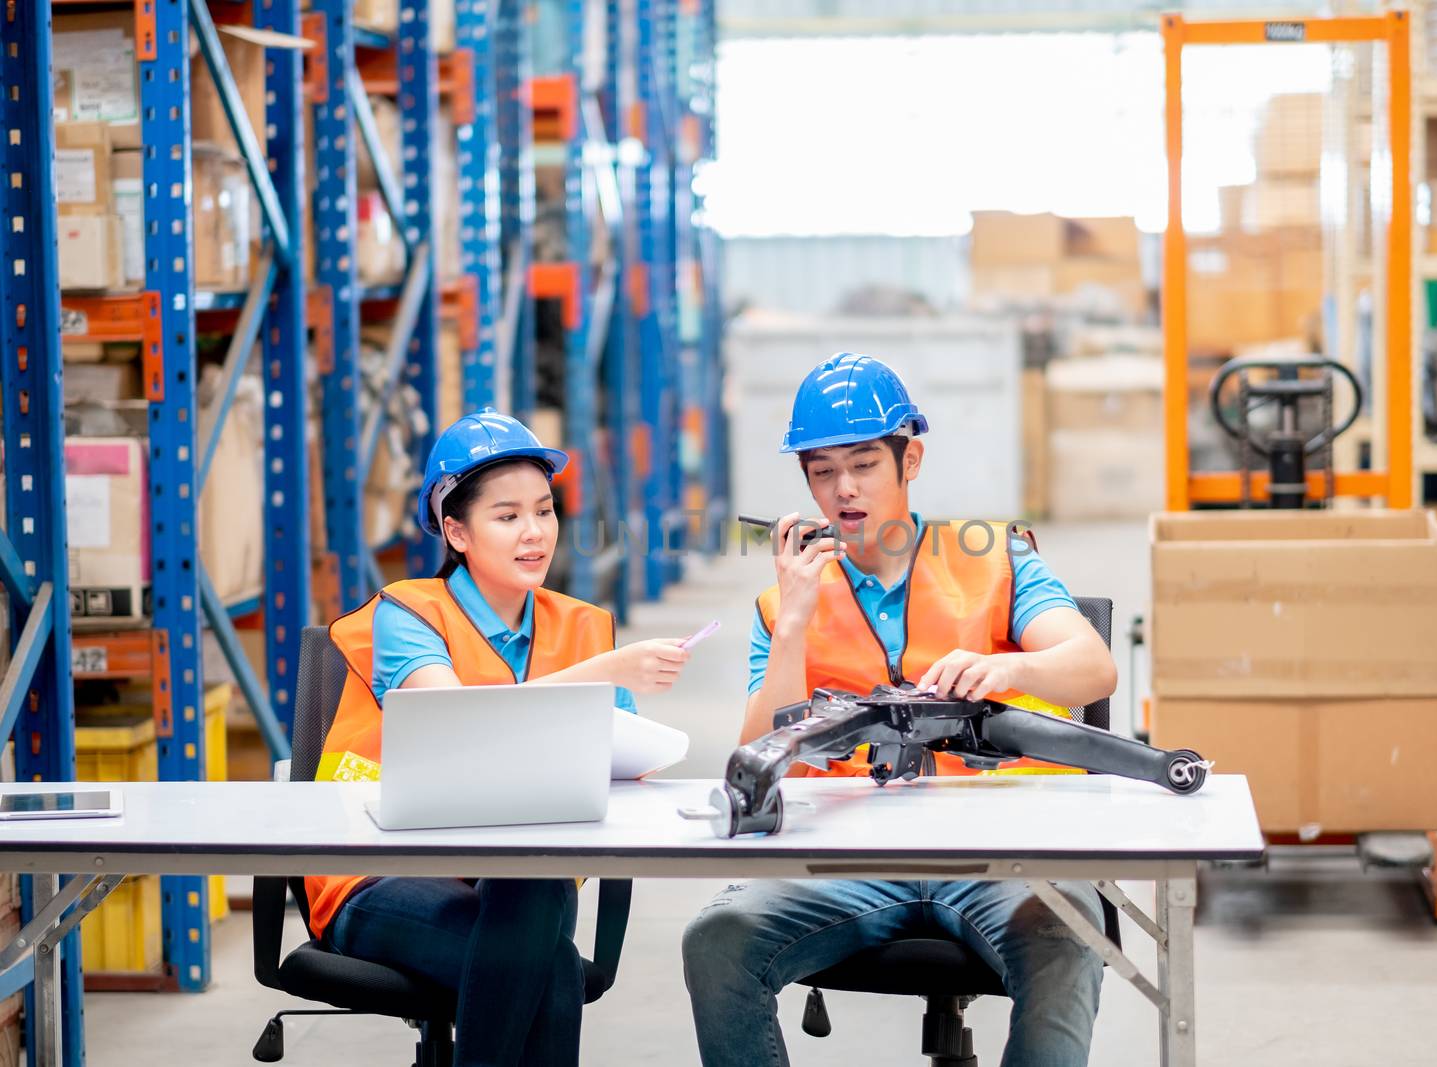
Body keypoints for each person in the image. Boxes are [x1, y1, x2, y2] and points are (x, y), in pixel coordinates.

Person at [681, 353, 1118, 1067]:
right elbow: (756, 756)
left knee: (1066, 935)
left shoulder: (993, 559)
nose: (843, 489)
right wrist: (791, 621)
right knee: (719, 937)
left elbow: (1092, 665)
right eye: (822, 471)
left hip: (993, 849)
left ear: (908, 457)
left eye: (863, 464)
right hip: (846, 857)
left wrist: (1007, 666)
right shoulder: (785, 597)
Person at [306, 409, 694, 1067]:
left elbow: (622, 768)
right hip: (382, 870)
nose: (535, 532)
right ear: (456, 530)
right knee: (552, 975)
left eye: (544, 511)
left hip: (522, 881)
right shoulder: (410, 613)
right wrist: (607, 672)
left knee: (536, 893)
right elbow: (458, 726)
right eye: (507, 516)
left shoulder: (583, 624)